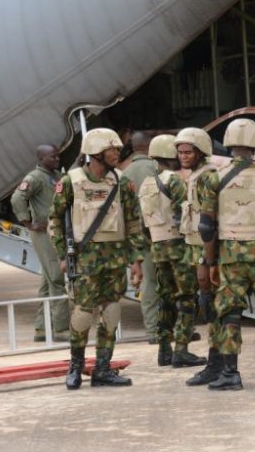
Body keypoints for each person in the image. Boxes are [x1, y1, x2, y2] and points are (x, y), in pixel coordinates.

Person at [196, 118, 255, 390]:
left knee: (230, 314)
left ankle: (231, 374)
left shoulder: (214, 179)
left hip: (231, 256)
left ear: (228, 143)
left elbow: (206, 227)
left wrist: (211, 260)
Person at [48, 128, 145, 389]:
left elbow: (134, 222)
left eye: (116, 149)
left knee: (111, 313)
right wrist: (61, 254)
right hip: (84, 259)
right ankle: (76, 366)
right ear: (96, 153)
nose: (117, 153)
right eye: (111, 149)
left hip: (114, 259)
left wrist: (136, 260)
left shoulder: (122, 183)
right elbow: (55, 220)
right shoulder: (71, 182)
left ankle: (103, 369)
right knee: (82, 315)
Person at [137, 134, 205, 368]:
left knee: (165, 299)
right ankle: (182, 351)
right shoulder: (174, 181)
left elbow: (141, 224)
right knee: (186, 298)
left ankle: (164, 351)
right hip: (177, 246)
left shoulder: (146, 184)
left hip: (157, 247)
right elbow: (182, 215)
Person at [174, 127, 226, 387]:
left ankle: (217, 364)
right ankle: (217, 362)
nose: (183, 156)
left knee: (213, 306)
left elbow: (209, 221)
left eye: (188, 152)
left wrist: (209, 259)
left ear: (200, 151)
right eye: (180, 152)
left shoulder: (207, 176)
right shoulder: (196, 175)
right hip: (196, 247)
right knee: (208, 307)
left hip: (206, 250)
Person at [11, 144, 70, 342]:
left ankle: (42, 328)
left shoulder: (54, 176)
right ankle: (61, 329)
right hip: (44, 232)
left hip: (54, 231)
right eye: (53, 157)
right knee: (56, 277)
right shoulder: (35, 178)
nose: (57, 159)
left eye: (58, 156)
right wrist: (28, 222)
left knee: (47, 281)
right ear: (42, 158)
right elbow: (17, 198)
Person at [121, 131, 161, 343]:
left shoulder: (125, 173)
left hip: (138, 235)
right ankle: (166, 328)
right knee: (169, 281)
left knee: (148, 282)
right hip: (160, 232)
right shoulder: (156, 168)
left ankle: (153, 330)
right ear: (150, 146)